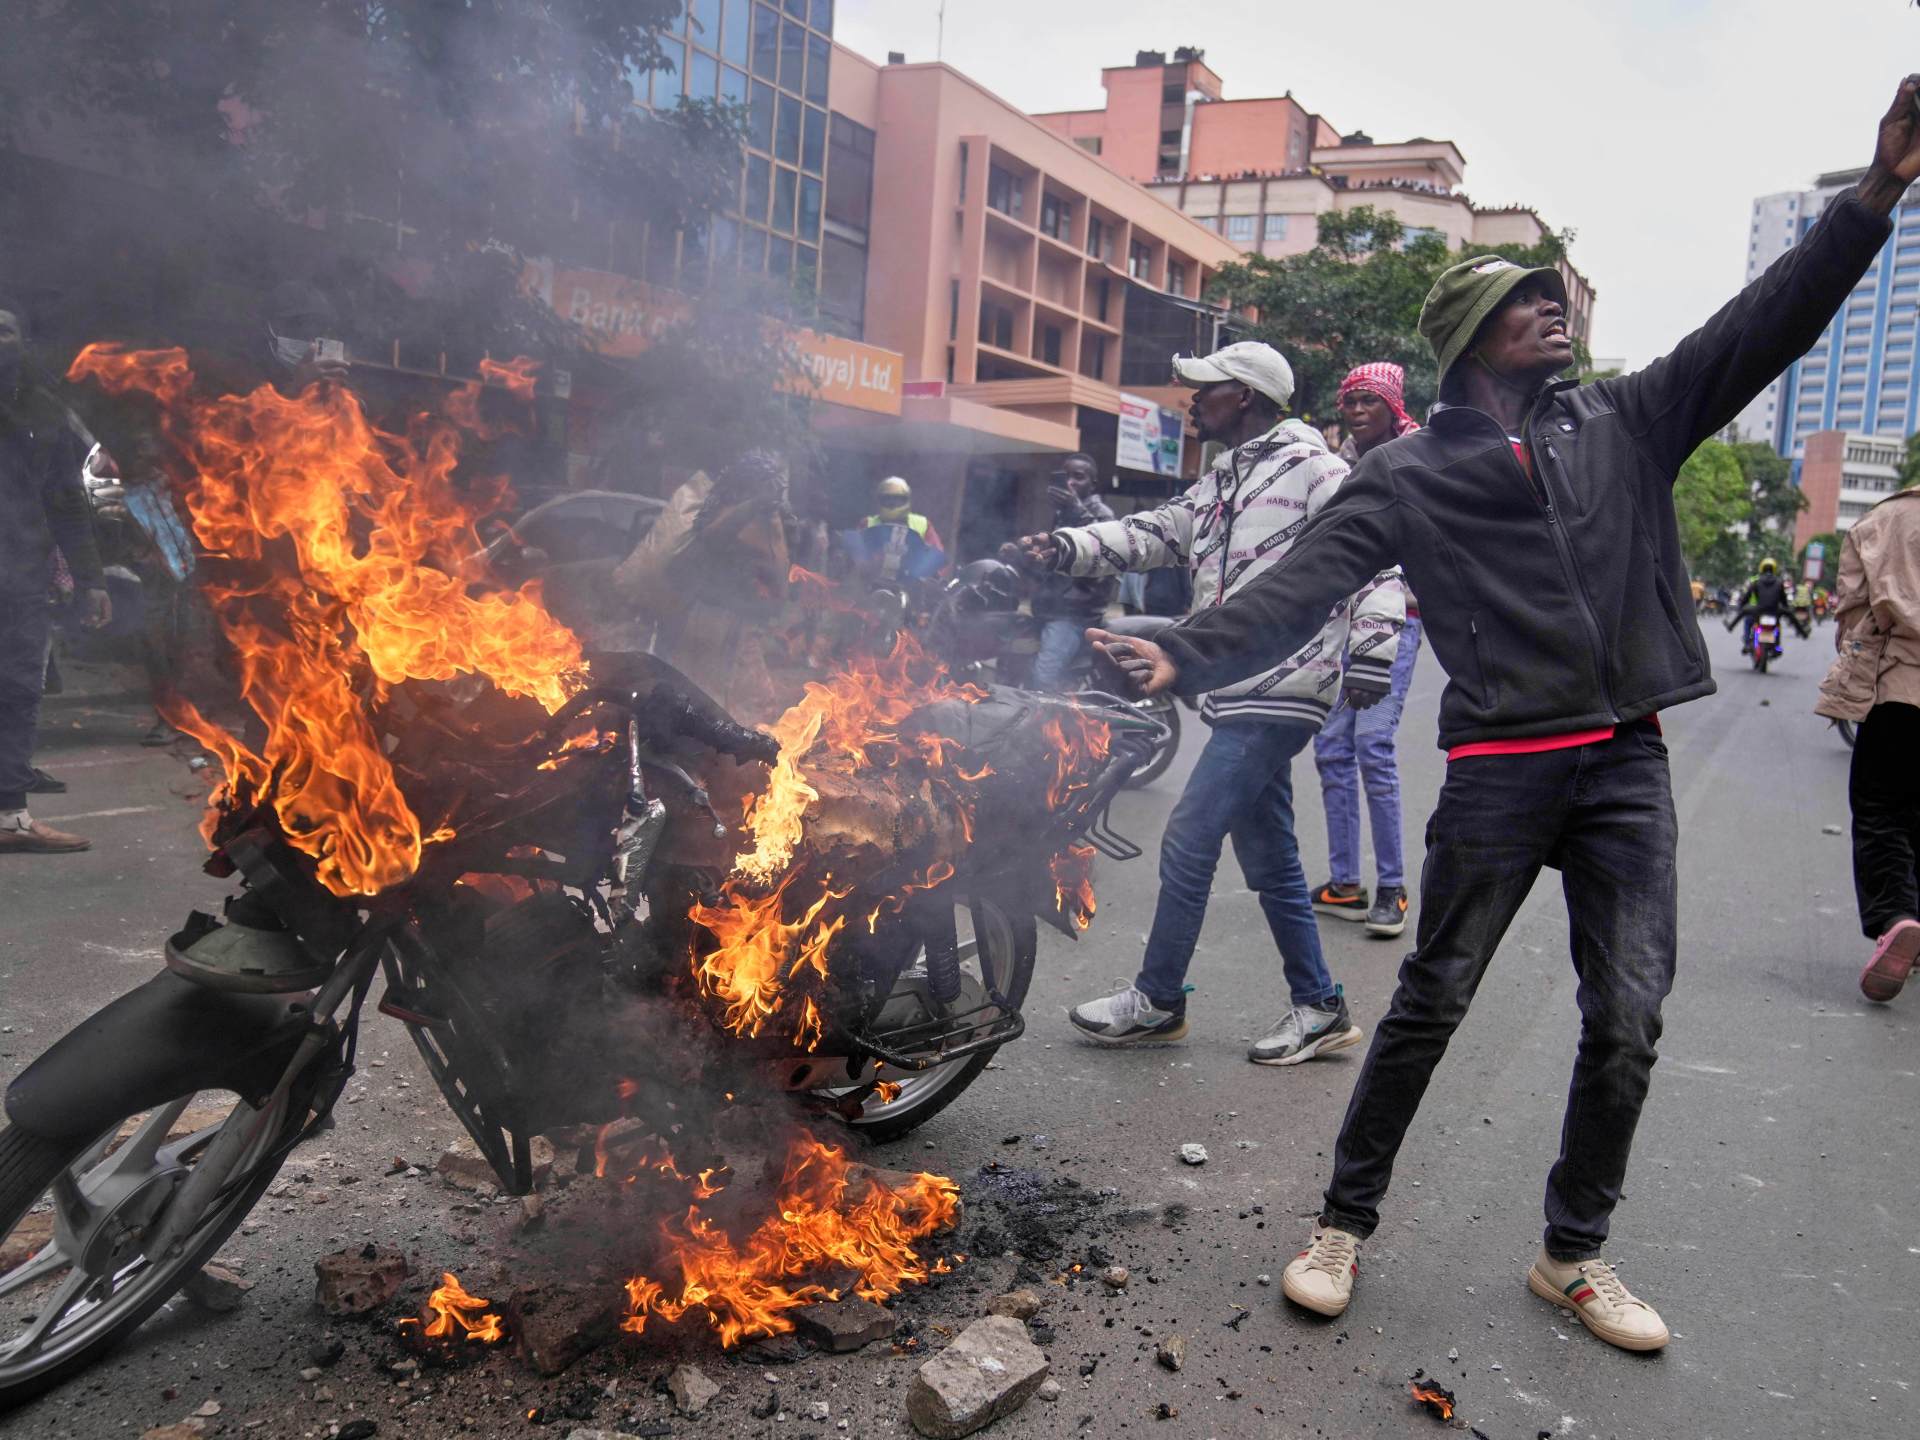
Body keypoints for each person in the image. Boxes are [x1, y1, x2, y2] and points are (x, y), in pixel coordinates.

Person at [1089, 78, 1920, 1350]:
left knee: (1628, 1022)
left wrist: (1875, 192)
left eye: (1555, 298)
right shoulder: (1405, 476)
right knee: (1431, 1001)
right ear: (1474, 337)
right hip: (1498, 770)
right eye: (1529, 301)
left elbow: (1767, 323)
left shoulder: (1629, 421)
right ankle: (1342, 1227)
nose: (1553, 311)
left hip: (1623, 767)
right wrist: (1183, 651)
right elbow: (1303, 580)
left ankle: (1572, 1254)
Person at [1009, 340, 1402, 1064]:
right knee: (1271, 855)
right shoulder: (1223, 479)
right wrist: (1065, 547)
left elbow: (1374, 558)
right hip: (1235, 683)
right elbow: (1152, 533)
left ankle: (1158, 999)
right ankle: (1319, 1006)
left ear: (1245, 395)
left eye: (1206, 388)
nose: (1193, 401)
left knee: (1190, 833)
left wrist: (1375, 648)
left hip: (1286, 679)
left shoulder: (1317, 469)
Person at [1311, 363, 1420, 937]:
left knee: (1372, 746)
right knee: (1331, 747)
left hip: (1396, 621)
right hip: (1342, 619)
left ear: (1392, 405)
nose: (1355, 411)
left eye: (1368, 401)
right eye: (1349, 401)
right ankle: (1345, 885)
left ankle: (1393, 888)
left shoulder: (1417, 458)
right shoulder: (1343, 465)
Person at [1, 295, 110, 855]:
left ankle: (9, 816)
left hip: (19, 578)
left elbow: (67, 501)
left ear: (23, 342)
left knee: (18, 692)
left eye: (4, 331)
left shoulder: (44, 411)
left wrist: (91, 580)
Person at [1815, 484, 1920, 1003]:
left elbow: (1852, 610)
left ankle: (1897, 917)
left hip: (1899, 691)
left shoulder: (1883, 520)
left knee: (1881, 810)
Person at [1026, 454, 1118, 690]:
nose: (1070, 482)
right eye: (1065, 476)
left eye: (1078, 477)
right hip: (1047, 610)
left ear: (1092, 484)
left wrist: (1077, 511)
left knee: (1043, 677)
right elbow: (1052, 567)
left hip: (1073, 615)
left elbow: (1103, 561)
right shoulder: (1060, 514)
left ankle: (1047, 715)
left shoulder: (1102, 515)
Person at [865, 476, 945, 554]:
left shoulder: (923, 524)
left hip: (913, 563)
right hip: (873, 563)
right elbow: (858, 553)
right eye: (887, 499)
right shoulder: (867, 523)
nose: (892, 503)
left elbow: (936, 555)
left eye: (897, 499)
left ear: (907, 500)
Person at [1729, 556, 1795, 649]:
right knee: (1778, 625)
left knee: (1747, 621)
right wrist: (1786, 610)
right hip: (1773, 611)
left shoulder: (1755, 581)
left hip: (1757, 610)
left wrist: (1742, 606)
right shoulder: (1779, 582)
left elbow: (1747, 596)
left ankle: (1745, 641)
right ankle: (1777, 645)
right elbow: (1783, 600)